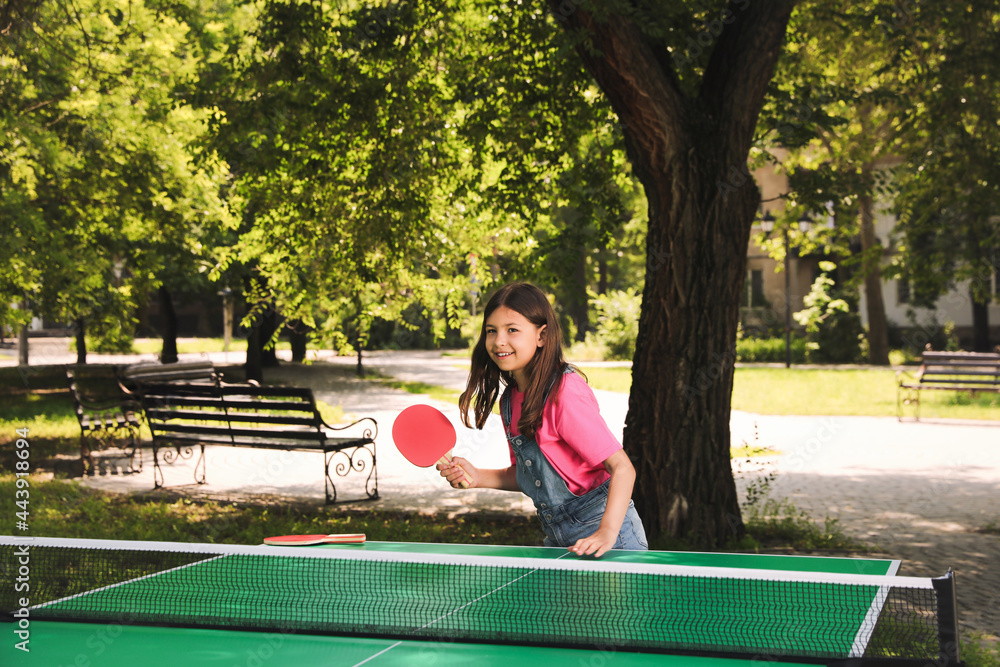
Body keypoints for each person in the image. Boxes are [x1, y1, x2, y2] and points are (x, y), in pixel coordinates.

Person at [437, 282, 647, 557]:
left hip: (611, 539)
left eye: (512, 329)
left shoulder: (564, 392)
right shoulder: (510, 402)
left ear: (542, 336)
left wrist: (606, 532)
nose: (499, 340)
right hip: (561, 542)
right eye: (491, 331)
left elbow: (622, 468)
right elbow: (527, 475)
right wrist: (477, 477)